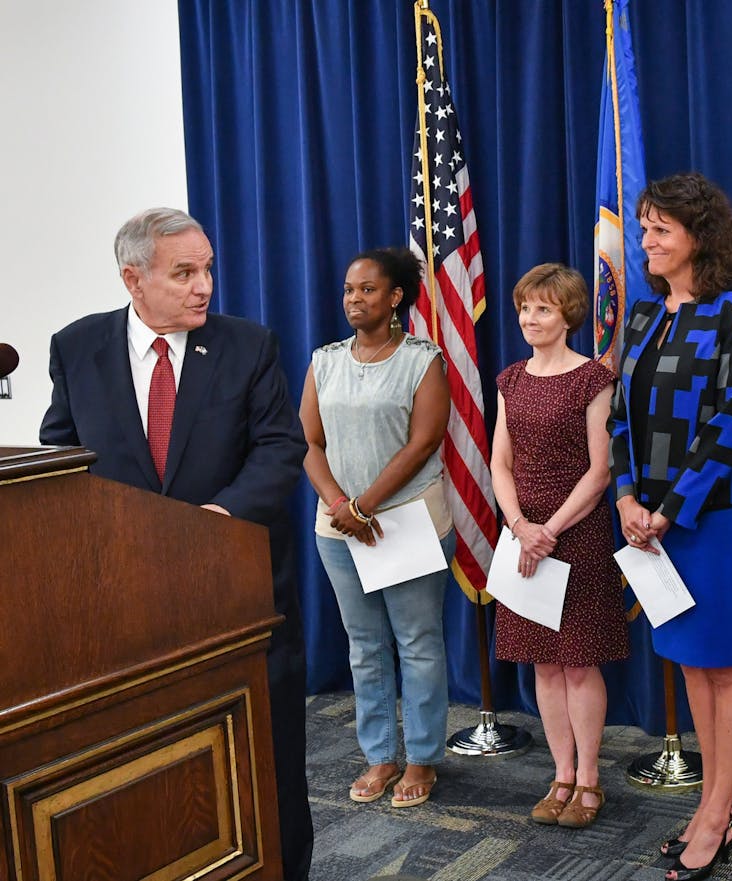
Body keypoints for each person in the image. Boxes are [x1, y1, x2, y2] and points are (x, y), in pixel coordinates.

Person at [40, 207, 314, 879]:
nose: (204, 286)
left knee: (268, 763)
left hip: (240, 599)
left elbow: (282, 448)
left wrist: (217, 517)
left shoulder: (249, 345)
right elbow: (59, 450)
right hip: (128, 605)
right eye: (184, 272)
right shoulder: (77, 347)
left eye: (208, 269)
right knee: (156, 767)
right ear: (133, 279)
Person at [610, 172, 732, 880]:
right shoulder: (642, 317)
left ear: (697, 239)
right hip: (648, 520)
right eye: (644, 227)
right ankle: (716, 802)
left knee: (728, 665)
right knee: (694, 667)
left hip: (715, 518)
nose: (644, 239)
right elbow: (619, 417)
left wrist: (671, 507)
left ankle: (716, 811)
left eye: (659, 229)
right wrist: (623, 498)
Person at [299, 247, 454, 809]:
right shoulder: (325, 360)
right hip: (337, 528)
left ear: (395, 298)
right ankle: (380, 757)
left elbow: (423, 443)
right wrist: (341, 504)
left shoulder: (422, 359)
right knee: (364, 647)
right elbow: (309, 443)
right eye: (347, 289)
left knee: (416, 644)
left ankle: (421, 759)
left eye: (367, 289)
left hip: (409, 522)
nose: (353, 299)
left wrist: (365, 506)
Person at [489, 263, 626, 829]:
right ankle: (561, 776)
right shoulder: (511, 379)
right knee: (544, 665)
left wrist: (550, 531)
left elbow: (600, 471)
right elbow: (500, 463)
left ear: (568, 315)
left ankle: (590, 780)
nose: (530, 317)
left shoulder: (593, 377)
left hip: (578, 536)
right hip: (523, 539)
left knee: (577, 664)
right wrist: (522, 526)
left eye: (543, 308)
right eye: (524, 307)